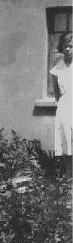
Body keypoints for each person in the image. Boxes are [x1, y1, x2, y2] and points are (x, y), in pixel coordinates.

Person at [50, 32, 72, 178]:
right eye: (66, 46)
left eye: (71, 46)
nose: (69, 49)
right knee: (64, 138)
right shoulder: (58, 68)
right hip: (64, 105)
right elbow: (57, 94)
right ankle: (67, 174)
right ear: (62, 47)